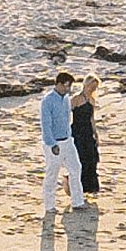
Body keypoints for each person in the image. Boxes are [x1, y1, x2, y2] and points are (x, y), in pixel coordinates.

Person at [40, 70, 85, 214]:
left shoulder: (66, 98)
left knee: (76, 168)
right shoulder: (48, 100)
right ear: (58, 84)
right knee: (52, 174)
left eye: (69, 86)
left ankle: (77, 201)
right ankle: (49, 206)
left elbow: (67, 119)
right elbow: (46, 124)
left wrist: (69, 136)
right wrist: (52, 144)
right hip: (54, 143)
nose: (68, 89)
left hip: (67, 140)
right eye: (66, 86)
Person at [71, 75, 101, 197]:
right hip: (77, 132)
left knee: (92, 159)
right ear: (85, 85)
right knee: (80, 159)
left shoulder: (92, 100)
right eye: (91, 87)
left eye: (95, 88)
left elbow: (92, 119)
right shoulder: (76, 99)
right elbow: (67, 114)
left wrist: (96, 133)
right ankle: (79, 187)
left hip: (88, 132)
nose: (92, 89)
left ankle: (91, 187)